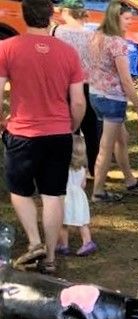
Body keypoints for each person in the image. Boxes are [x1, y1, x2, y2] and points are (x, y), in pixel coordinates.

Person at [0, 0, 86, 274]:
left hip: (21, 131)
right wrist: (71, 127)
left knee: (20, 191)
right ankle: (49, 257)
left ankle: (34, 242)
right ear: (51, 17)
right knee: (53, 195)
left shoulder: (7, 48)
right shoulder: (68, 53)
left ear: (24, 17)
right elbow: (79, 102)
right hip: (59, 132)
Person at [88, 0, 138, 203]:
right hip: (112, 98)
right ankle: (98, 191)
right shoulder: (117, 43)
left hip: (96, 93)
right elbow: (126, 79)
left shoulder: (97, 35)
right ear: (116, 18)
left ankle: (130, 180)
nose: (130, 22)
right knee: (106, 147)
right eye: (127, 18)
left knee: (121, 139)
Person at [52, 0, 99, 178]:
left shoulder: (57, 31)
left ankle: (70, 166)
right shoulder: (92, 33)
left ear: (66, 12)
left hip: (64, 84)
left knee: (69, 126)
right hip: (88, 84)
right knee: (91, 128)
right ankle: (93, 168)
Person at [57, 135, 97, 257]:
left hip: (66, 197)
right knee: (82, 222)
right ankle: (87, 241)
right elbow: (83, 184)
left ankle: (63, 245)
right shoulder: (83, 169)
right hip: (80, 197)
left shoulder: (63, 169)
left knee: (62, 223)